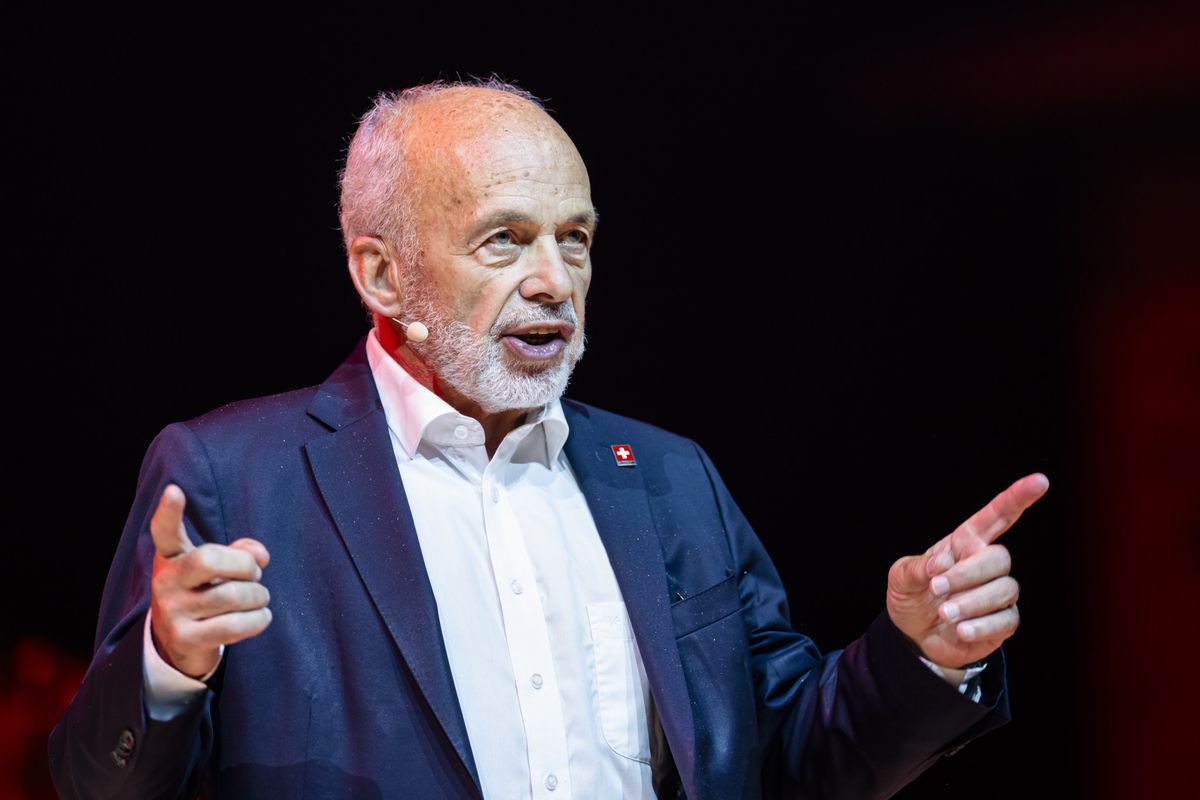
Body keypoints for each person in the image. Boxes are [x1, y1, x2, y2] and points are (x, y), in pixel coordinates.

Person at [48, 78, 1048, 799]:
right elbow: (96, 781)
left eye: (574, 238)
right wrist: (166, 666)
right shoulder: (236, 475)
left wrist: (921, 655)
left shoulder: (666, 479)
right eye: (504, 238)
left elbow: (791, 753)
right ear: (383, 275)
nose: (553, 280)